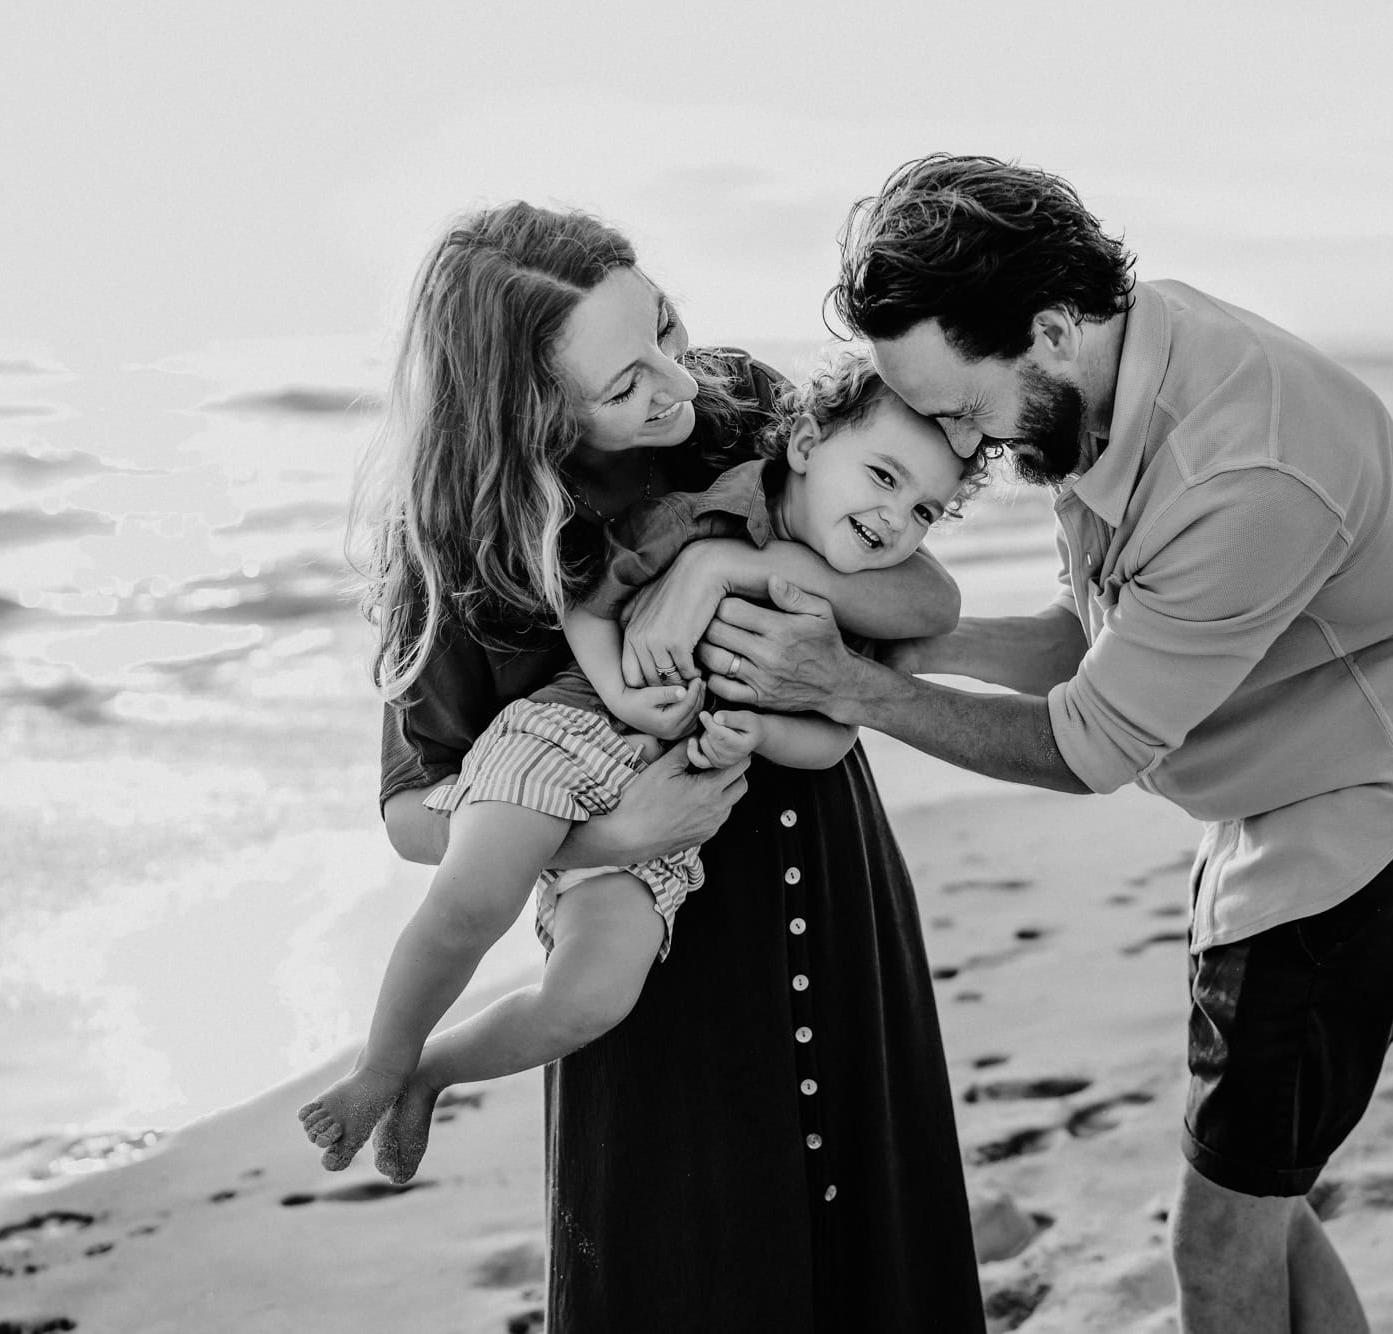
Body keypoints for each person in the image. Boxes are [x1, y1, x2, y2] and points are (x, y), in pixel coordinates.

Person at [692, 156, 1393, 1334]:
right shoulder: (1121, 373)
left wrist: (846, 684)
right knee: (1265, 1206)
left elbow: (1087, 744)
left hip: (1365, 853)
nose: (962, 441)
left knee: (1215, 1239)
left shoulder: (1246, 467)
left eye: (963, 409)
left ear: (1052, 327)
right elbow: (1092, 634)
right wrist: (912, 651)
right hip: (1273, 832)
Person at [351, 201, 984, 1331]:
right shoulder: (461, 548)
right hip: (651, 934)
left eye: (665, 331)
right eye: (624, 381)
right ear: (527, 408)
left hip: (830, 883)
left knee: (877, 1254)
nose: (675, 386)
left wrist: (721, 569)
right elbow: (411, 809)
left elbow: (914, 591)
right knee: (689, 1257)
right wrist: (610, 836)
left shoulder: (741, 407)